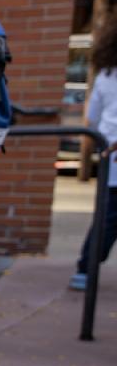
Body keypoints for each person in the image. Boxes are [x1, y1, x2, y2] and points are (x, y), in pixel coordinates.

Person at [74, 16, 117, 291]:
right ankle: (85, 268)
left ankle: (85, 269)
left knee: (107, 216)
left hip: (108, 151)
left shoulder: (106, 75)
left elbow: (93, 117)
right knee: (108, 215)